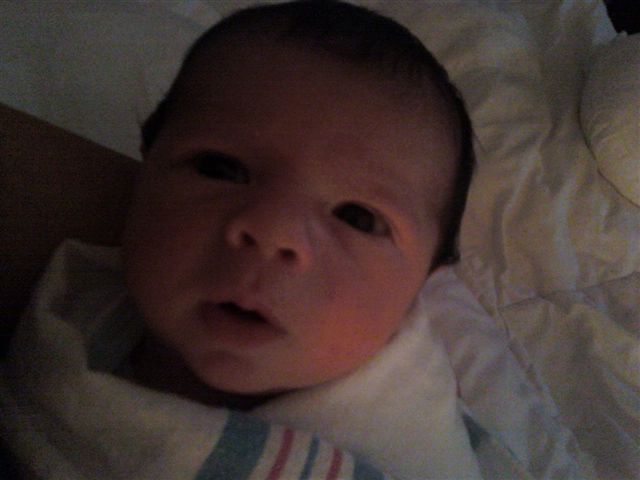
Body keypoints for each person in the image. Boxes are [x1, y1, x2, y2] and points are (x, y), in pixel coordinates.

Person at [1, 1, 482, 478]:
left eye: (357, 217)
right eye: (222, 168)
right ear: (148, 159)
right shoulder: (69, 317)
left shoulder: (413, 446)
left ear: (424, 280)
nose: (272, 231)